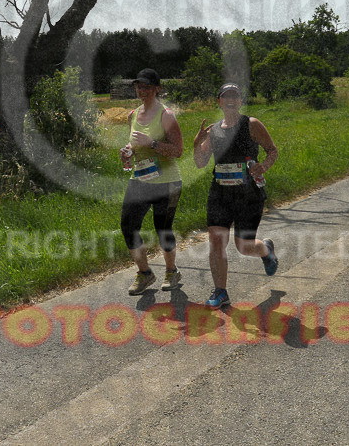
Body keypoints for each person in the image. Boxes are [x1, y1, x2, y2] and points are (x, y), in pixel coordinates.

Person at [193, 82, 279, 308]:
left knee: (244, 246)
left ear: (241, 101)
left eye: (235, 96)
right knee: (216, 241)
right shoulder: (213, 131)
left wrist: (263, 166)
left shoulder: (251, 125)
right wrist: (196, 144)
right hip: (220, 193)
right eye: (226, 96)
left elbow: (273, 151)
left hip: (248, 194)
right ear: (219, 101)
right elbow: (200, 163)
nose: (230, 100)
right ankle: (221, 291)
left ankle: (265, 249)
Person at [119, 68, 184, 295]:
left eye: (146, 86)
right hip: (140, 179)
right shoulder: (132, 115)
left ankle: (171, 271)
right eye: (138, 86)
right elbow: (135, 148)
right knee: (128, 226)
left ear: (158, 89)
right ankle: (145, 273)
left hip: (167, 182)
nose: (141, 90)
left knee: (163, 229)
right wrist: (127, 153)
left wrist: (152, 143)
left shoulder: (166, 115)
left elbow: (178, 151)